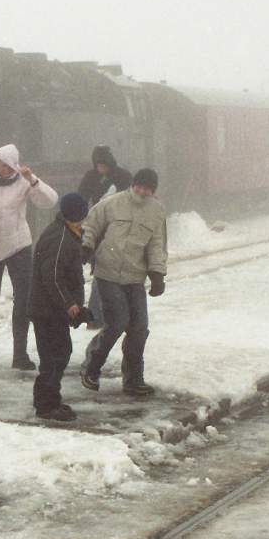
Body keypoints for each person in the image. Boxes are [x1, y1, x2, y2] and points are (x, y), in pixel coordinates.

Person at [0, 143, 59, 370]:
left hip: (18, 246)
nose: (6, 169)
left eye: (10, 166)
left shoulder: (23, 181)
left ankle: (20, 354)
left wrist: (32, 180)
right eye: (2, 164)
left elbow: (49, 201)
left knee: (23, 300)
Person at [80, 168, 167, 397]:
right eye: (139, 185)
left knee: (139, 328)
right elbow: (91, 224)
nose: (142, 191)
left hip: (134, 277)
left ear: (153, 191)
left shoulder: (156, 212)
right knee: (117, 322)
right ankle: (91, 366)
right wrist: (87, 246)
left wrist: (157, 273)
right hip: (107, 273)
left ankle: (133, 380)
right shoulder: (113, 203)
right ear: (133, 184)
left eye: (148, 188)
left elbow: (157, 244)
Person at [29, 193, 90, 421]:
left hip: (51, 308)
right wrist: (70, 304)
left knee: (58, 353)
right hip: (47, 310)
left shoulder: (68, 233)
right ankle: (46, 405)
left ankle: (50, 400)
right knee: (55, 355)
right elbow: (53, 276)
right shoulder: (61, 237)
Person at [77, 145, 130, 331]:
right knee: (101, 271)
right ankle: (98, 315)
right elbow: (81, 197)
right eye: (98, 165)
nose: (100, 168)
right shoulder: (92, 177)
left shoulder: (122, 177)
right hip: (99, 228)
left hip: (117, 229)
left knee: (108, 273)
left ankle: (100, 315)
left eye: (103, 165)